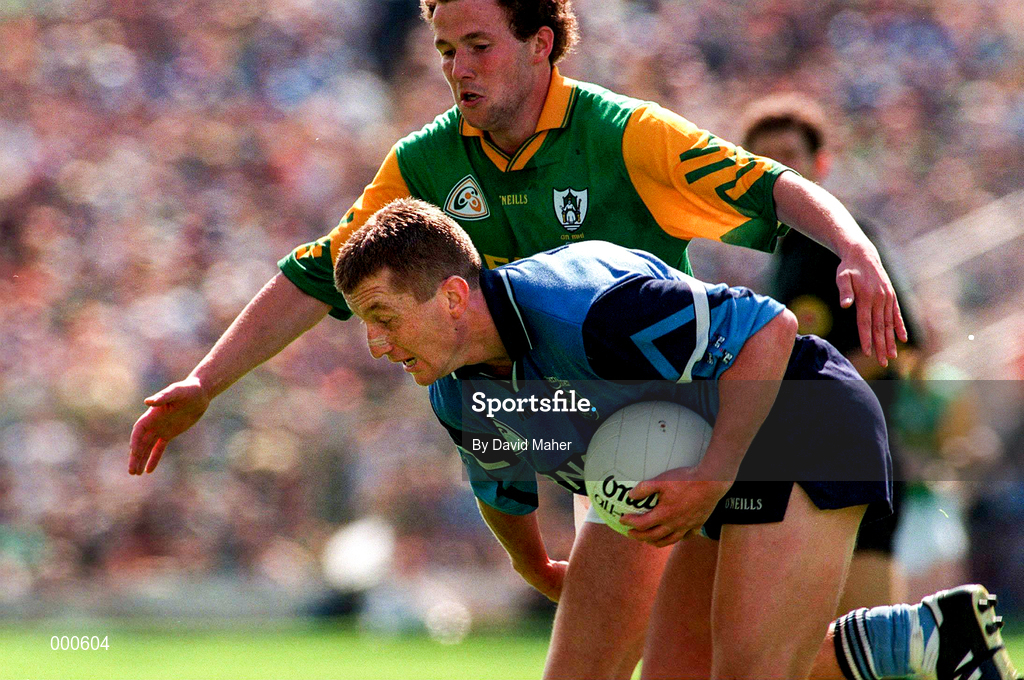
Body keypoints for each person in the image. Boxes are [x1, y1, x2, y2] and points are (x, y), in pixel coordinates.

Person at [130, 1, 908, 677]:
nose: (455, 67)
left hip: (731, 403)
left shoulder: (625, 138)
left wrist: (856, 249)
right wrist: (205, 382)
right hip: (641, 431)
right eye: (443, 49)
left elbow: (766, 187)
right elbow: (322, 274)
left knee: (724, 668)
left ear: (541, 42)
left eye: (477, 44)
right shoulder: (425, 167)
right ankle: (897, 647)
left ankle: (893, 647)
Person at [332, 197, 1018, 680]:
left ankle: (926, 640)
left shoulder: (588, 311)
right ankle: (926, 637)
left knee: (750, 674)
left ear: (452, 297)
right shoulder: (454, 386)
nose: (375, 344)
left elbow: (771, 328)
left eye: (383, 316)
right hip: (694, 454)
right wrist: (533, 566)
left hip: (799, 411)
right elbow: (501, 487)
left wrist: (715, 476)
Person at [739, 92, 921, 615]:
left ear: (821, 164)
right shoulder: (780, 250)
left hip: (856, 451)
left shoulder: (850, 241)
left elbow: (902, 344)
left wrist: (809, 387)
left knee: (866, 638)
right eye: (759, 159)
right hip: (800, 458)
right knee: (805, 640)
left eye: (788, 156)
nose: (775, 168)